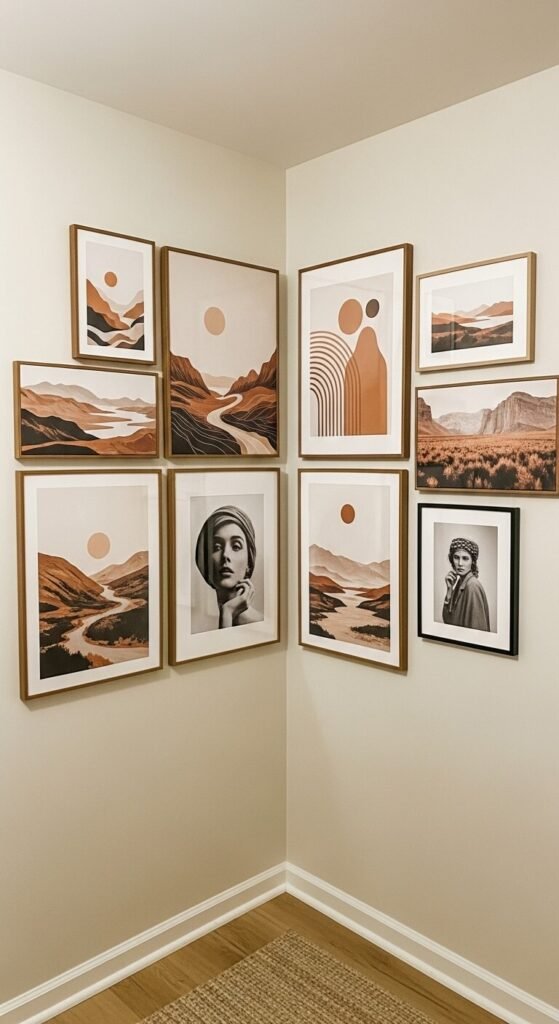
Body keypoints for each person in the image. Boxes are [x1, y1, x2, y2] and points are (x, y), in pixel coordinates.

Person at [195, 505, 263, 628]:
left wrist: (228, 611)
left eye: (236, 546)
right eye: (217, 547)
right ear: (206, 561)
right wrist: (227, 612)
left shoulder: (259, 625)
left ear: (249, 562)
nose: (225, 555)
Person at [442, 537, 490, 631]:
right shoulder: (460, 582)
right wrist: (449, 590)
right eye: (456, 557)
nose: (460, 563)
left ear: (473, 562)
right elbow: (448, 620)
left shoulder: (472, 586)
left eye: (465, 558)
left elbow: (477, 632)